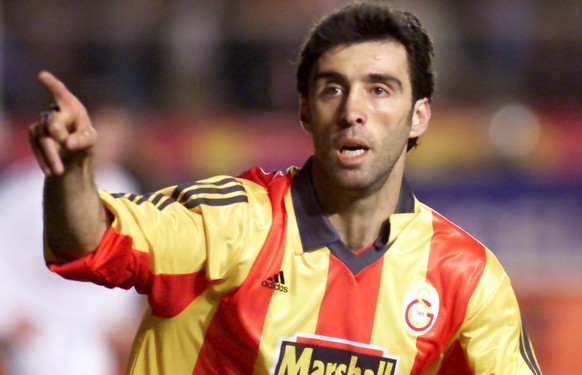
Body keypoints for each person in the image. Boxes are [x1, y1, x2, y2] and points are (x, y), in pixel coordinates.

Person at [28, 3, 541, 374]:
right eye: (332, 88)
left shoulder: (466, 277)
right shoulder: (231, 224)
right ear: (304, 111)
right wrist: (70, 173)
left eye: (380, 89)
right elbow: (90, 243)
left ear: (419, 115)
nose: (352, 110)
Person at [0, 106, 143, 375]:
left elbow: (128, 259)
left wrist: (121, 318)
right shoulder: (22, 189)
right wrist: (6, 317)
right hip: (39, 334)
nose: (116, 144)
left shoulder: (121, 186)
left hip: (94, 335)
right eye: (108, 134)